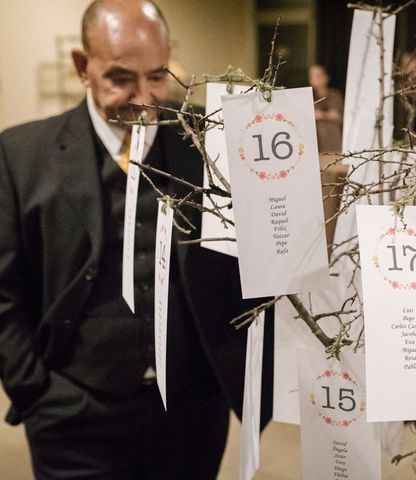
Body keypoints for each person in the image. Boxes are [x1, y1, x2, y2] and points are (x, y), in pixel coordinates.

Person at [0, 1, 272, 479]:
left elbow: (264, 256)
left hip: (191, 414)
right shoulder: (20, 155)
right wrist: (34, 390)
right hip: (72, 415)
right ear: (83, 67)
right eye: (122, 78)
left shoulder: (217, 140)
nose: (144, 96)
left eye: (159, 76)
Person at [308, 64, 344, 153]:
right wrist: (326, 116)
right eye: (316, 76)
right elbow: (309, 116)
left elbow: (337, 116)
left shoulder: (335, 95)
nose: (319, 79)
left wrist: (320, 115)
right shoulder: (308, 97)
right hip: (314, 140)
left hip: (332, 139)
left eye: (321, 75)